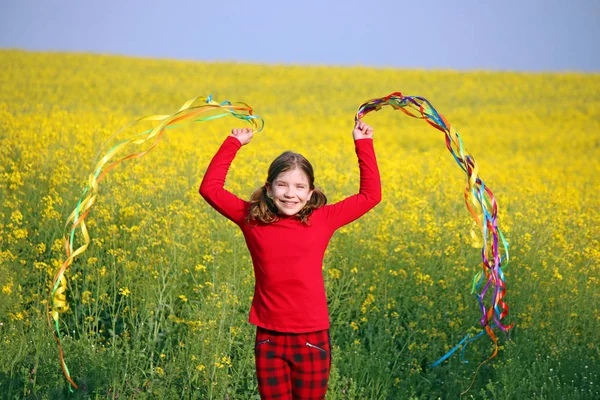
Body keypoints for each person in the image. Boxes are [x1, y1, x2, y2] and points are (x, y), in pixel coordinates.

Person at [199, 120, 381, 399]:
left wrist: (363, 143)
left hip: (312, 338)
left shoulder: (323, 219)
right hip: (269, 337)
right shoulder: (252, 219)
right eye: (282, 185)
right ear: (269, 188)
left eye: (299, 187)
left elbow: (370, 195)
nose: (290, 193)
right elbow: (210, 189)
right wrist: (233, 143)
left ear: (310, 193)